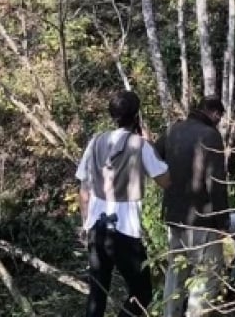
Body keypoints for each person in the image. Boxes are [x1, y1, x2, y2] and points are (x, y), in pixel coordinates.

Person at [76, 90, 171, 317]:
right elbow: (166, 181)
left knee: (97, 294)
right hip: (125, 231)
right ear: (136, 116)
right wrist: (152, 146)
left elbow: (84, 190)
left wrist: (85, 224)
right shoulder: (140, 145)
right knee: (142, 293)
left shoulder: (96, 141)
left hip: (96, 228)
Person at [155, 96, 230, 317]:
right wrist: (222, 221)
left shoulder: (173, 130)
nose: (219, 121)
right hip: (202, 220)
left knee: (175, 275)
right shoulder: (211, 136)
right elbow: (216, 183)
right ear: (215, 113)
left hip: (174, 217)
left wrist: (169, 184)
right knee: (206, 278)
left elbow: (152, 157)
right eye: (220, 117)